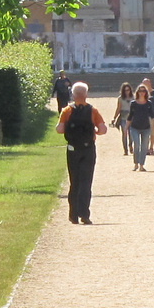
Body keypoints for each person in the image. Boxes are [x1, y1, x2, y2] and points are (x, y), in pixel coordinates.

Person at [55, 81, 107, 223]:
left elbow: (59, 129)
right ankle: (84, 214)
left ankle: (73, 214)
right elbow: (103, 129)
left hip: (72, 148)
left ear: (73, 94)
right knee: (86, 181)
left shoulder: (67, 110)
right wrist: (94, 131)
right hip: (88, 148)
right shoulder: (92, 110)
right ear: (85, 94)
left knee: (74, 181)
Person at [127, 83, 154, 170]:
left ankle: (141, 165)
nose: (142, 92)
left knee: (144, 147)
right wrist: (126, 128)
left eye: (143, 91)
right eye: (140, 91)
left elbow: (153, 115)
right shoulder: (133, 103)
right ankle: (136, 163)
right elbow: (130, 116)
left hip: (146, 128)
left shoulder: (149, 103)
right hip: (134, 127)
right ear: (137, 92)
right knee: (136, 144)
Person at [113, 82, 133, 156]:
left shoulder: (133, 97)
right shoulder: (120, 98)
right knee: (124, 134)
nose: (127, 92)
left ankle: (131, 145)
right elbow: (118, 108)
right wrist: (114, 118)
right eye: (125, 90)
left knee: (132, 134)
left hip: (132, 117)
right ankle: (125, 150)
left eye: (128, 90)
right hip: (123, 117)